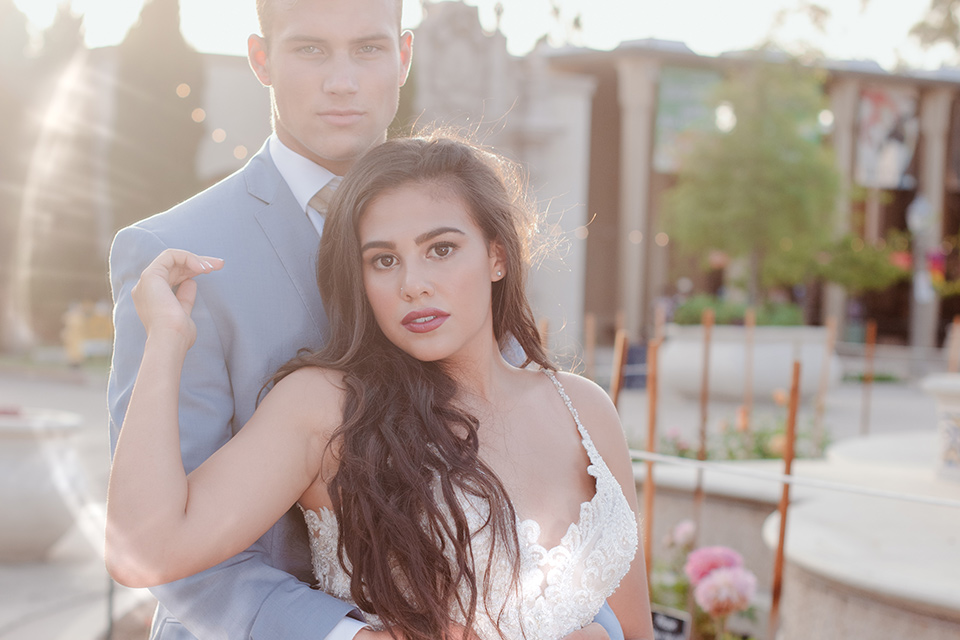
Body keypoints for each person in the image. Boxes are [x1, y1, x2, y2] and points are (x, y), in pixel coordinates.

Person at [107, 0, 622, 637]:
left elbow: (534, 493)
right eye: (312, 50)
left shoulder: (456, 209)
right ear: (262, 59)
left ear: (404, 57)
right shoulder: (174, 253)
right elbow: (167, 550)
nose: (343, 81)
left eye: (369, 49)